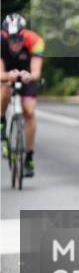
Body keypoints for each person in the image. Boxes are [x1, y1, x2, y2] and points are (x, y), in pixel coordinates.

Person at [0, 14, 45, 177]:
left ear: (23, 34)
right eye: (11, 39)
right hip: (7, 72)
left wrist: (29, 76)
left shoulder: (35, 40)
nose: (15, 43)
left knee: (29, 111)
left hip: (27, 72)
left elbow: (37, 72)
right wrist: (8, 76)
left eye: (19, 39)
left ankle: (29, 156)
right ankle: (2, 121)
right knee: (4, 87)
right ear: (5, 35)